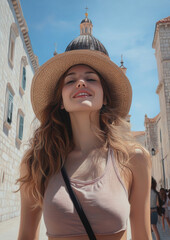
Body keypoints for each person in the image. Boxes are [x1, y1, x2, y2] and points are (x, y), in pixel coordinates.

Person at [17, 48, 152, 240]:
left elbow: (143, 237)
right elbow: (25, 235)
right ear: (61, 101)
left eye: (91, 79)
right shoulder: (37, 162)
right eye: (70, 81)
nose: (81, 82)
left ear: (105, 97)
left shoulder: (134, 158)